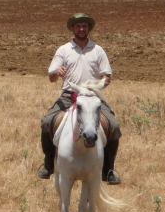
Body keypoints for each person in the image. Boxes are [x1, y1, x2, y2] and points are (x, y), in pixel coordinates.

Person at [38, 13, 122, 184]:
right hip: (69, 95)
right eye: (78, 26)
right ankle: (48, 164)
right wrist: (57, 72)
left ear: (89, 28)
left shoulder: (98, 50)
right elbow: (51, 77)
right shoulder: (63, 50)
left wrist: (97, 86)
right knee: (46, 122)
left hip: (92, 96)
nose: (81, 29)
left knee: (114, 126)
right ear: (72, 28)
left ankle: (108, 169)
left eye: (84, 26)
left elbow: (107, 76)